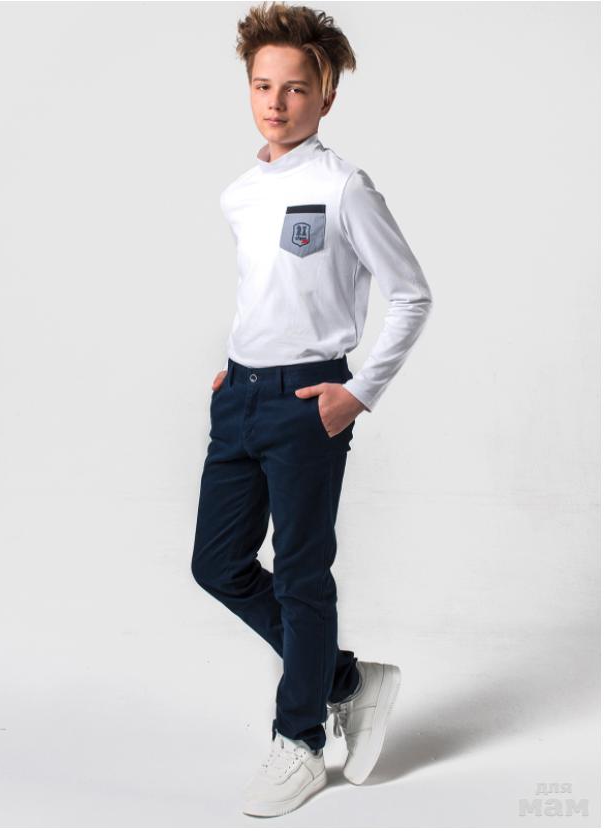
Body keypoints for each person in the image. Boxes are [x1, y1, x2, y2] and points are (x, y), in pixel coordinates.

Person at [191, 1, 433, 817]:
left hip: (309, 400)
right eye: (263, 85)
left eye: (296, 88)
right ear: (248, 89)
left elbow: (410, 294)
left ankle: (298, 739)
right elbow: (269, 294)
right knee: (217, 564)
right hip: (240, 397)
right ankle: (345, 679)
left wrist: (358, 393)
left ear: (326, 96)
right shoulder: (240, 193)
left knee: (300, 573)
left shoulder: (343, 186)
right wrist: (235, 370)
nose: (277, 101)